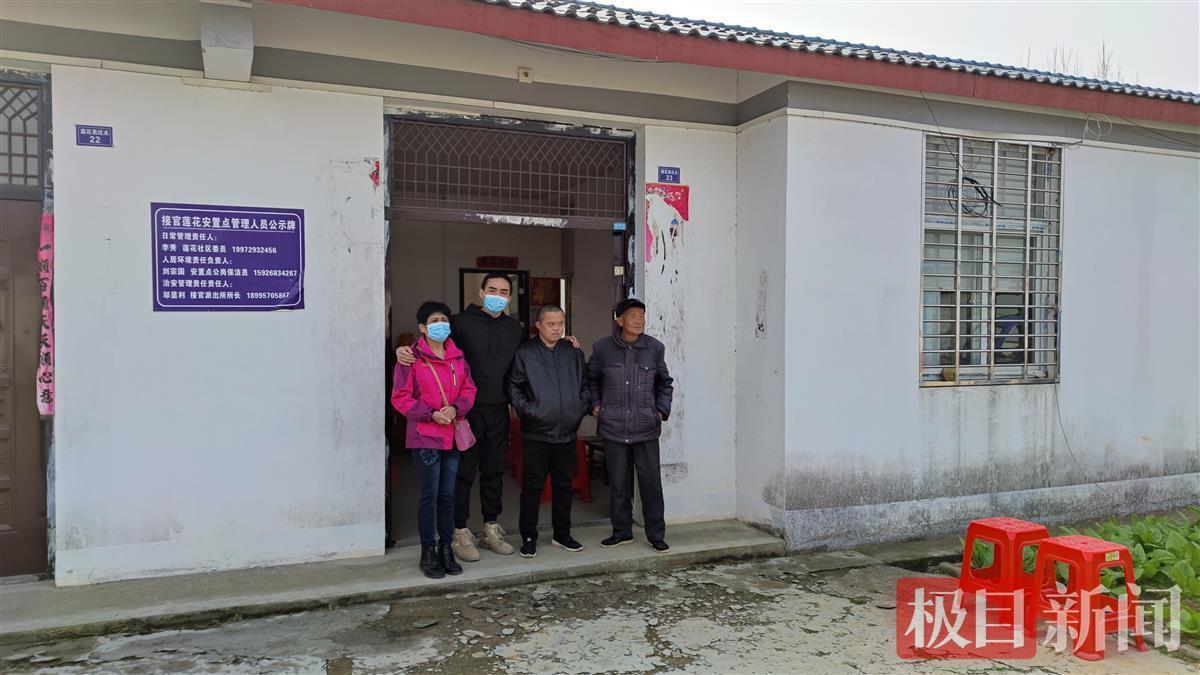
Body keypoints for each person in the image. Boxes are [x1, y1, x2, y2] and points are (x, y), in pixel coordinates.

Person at [396, 273, 523, 561]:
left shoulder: (513, 329)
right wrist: (402, 349)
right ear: (481, 292)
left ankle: (491, 528)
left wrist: (566, 340)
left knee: (494, 471)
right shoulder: (460, 323)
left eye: (504, 291)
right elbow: (433, 345)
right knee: (463, 473)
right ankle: (460, 531)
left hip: (498, 409)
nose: (497, 295)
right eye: (492, 290)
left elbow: (529, 355)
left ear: (509, 297)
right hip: (464, 412)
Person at [391, 301, 477, 579]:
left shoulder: (457, 357)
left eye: (444, 320)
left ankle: (446, 548)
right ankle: (427, 551)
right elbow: (400, 398)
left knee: (448, 495)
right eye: (434, 321)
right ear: (422, 327)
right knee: (429, 495)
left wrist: (456, 408)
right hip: (425, 437)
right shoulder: (411, 358)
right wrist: (430, 414)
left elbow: (469, 389)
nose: (441, 324)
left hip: (451, 435)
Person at [587, 298, 674, 553]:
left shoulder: (655, 348)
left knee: (651, 485)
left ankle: (656, 535)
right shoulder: (602, 349)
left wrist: (660, 411)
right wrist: (595, 405)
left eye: (642, 316)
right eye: (634, 316)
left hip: (646, 427)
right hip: (613, 427)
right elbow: (590, 380)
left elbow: (664, 383)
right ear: (620, 320)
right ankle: (621, 532)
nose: (639, 321)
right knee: (619, 484)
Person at [506, 305, 589, 558]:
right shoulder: (525, 352)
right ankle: (529, 537)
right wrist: (530, 411)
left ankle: (562, 534)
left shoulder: (573, 352)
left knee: (563, 486)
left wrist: (579, 408)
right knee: (533, 487)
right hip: (537, 433)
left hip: (567, 432)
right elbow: (513, 388)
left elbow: (586, 385)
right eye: (551, 324)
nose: (556, 328)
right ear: (538, 326)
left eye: (560, 324)